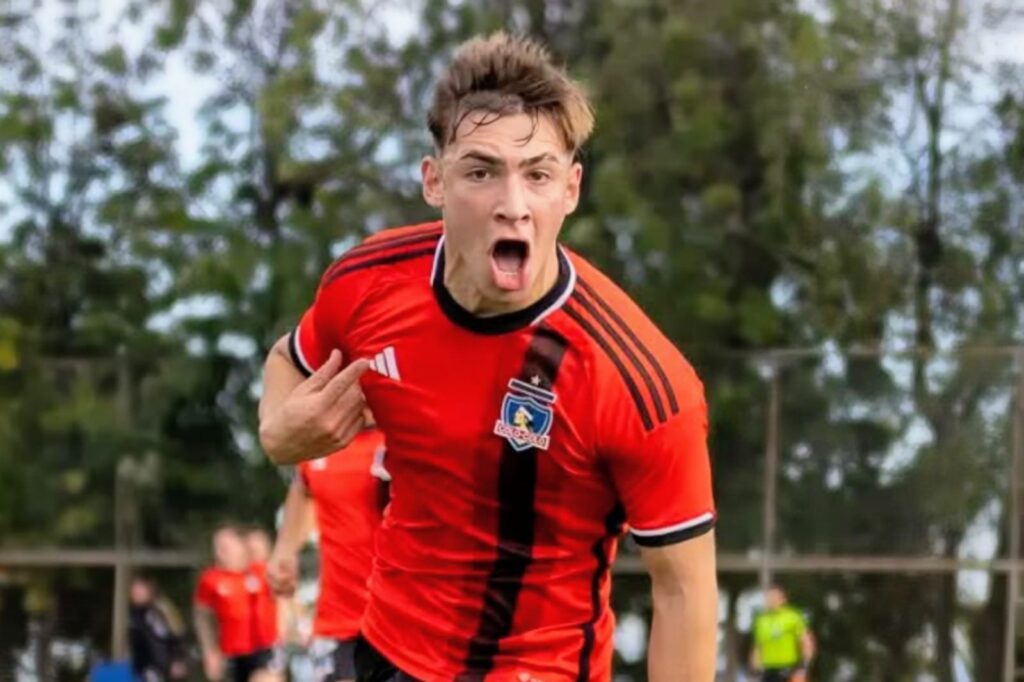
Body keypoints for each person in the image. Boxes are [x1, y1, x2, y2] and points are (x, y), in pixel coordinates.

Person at [258, 32, 717, 681]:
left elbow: (683, 592)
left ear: (571, 190)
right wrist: (279, 433)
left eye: (538, 175)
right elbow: (288, 358)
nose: (513, 205)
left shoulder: (638, 379)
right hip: (386, 653)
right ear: (433, 180)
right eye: (481, 171)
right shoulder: (368, 284)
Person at [266, 419, 389, 682]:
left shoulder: (402, 437)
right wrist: (284, 550)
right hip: (338, 621)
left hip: (400, 623)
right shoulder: (321, 442)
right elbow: (302, 484)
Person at [194, 525, 282, 682]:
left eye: (226, 546)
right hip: (232, 652)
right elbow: (202, 616)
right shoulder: (211, 579)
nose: (221, 551)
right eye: (218, 547)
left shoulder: (261, 571)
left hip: (263, 647)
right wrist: (209, 650)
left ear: (241, 546)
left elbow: (284, 598)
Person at [128, 574, 188, 681]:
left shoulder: (162, 609)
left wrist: (178, 659)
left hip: (161, 667)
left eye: (139, 589)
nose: (135, 593)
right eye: (134, 589)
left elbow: (178, 633)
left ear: (150, 588)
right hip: (144, 668)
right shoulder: (135, 614)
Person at [750, 585, 815, 682]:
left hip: (789, 668)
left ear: (783, 599)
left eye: (775, 597)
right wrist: (755, 669)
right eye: (769, 597)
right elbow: (758, 647)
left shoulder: (793, 617)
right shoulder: (761, 620)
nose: (771, 600)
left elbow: (806, 642)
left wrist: (803, 667)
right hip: (768, 670)